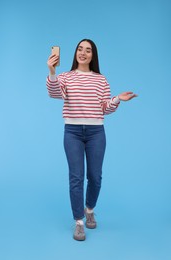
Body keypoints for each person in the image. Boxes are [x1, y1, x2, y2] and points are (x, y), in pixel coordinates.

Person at [46, 39, 137, 241]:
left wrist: (117, 99)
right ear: (75, 53)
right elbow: (53, 94)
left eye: (88, 50)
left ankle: (89, 209)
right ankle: (79, 221)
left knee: (95, 177)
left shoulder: (101, 80)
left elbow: (105, 108)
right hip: (72, 132)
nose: (83, 53)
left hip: (96, 132)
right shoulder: (65, 77)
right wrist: (52, 71)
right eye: (80, 49)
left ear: (93, 55)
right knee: (76, 177)